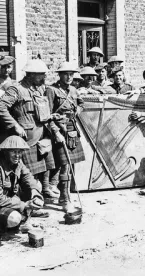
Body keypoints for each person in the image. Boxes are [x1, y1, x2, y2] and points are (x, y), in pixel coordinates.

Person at [0, 59, 57, 201]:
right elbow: (1, 107)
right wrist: (15, 125)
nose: (43, 78)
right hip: (25, 141)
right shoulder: (16, 89)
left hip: (40, 136)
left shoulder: (38, 89)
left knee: (41, 170)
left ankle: (38, 198)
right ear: (30, 75)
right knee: (26, 173)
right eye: (40, 75)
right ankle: (27, 205)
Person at [45, 61, 85, 213]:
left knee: (71, 164)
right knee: (64, 165)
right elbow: (47, 116)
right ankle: (65, 199)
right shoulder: (52, 90)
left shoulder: (74, 90)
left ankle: (65, 195)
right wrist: (55, 132)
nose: (69, 77)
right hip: (60, 131)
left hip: (72, 130)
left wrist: (78, 110)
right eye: (65, 74)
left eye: (71, 74)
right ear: (60, 75)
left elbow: (81, 103)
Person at [0, 136, 45, 232]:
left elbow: (28, 177)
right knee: (14, 218)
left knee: (36, 186)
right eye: (13, 151)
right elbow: (0, 200)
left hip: (10, 202)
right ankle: (12, 226)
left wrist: (35, 193)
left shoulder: (18, 163)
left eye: (19, 151)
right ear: (5, 152)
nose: (17, 155)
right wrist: (24, 205)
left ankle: (24, 221)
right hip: (2, 204)